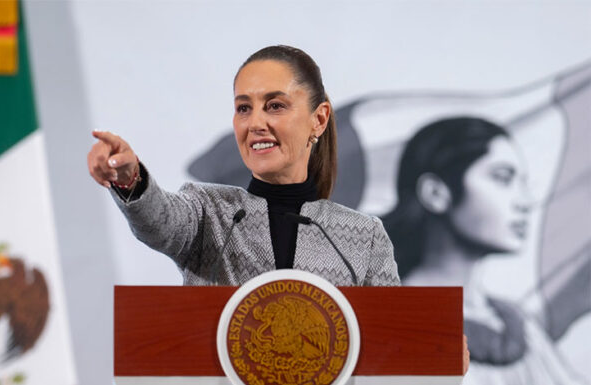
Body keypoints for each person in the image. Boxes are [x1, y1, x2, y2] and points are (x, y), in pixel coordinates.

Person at [86, 45, 400, 288]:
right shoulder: (208, 214)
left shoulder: (364, 238)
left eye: (275, 106)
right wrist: (130, 178)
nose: (255, 123)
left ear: (318, 119)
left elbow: (397, 346)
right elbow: (160, 223)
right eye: (244, 108)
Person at [382, 117, 585, 384]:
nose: (525, 201)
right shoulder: (387, 324)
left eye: (523, 182)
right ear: (435, 193)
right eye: (502, 178)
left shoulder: (518, 325)